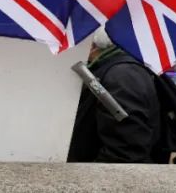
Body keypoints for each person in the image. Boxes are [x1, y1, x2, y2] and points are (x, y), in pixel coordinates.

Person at [69, 30, 160, 163]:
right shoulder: (113, 69)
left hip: (106, 178)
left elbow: (125, 152)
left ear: (92, 46)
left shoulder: (122, 76)